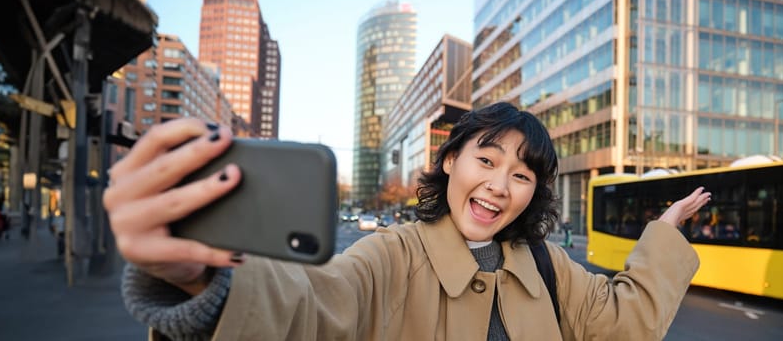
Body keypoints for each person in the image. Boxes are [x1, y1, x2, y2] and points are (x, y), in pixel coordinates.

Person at [105, 102, 710, 340]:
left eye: (523, 175)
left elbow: (626, 321)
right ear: (451, 162)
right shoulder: (389, 256)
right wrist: (204, 276)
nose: (500, 185)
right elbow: (312, 308)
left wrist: (663, 235)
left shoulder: (550, 267)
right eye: (487, 158)